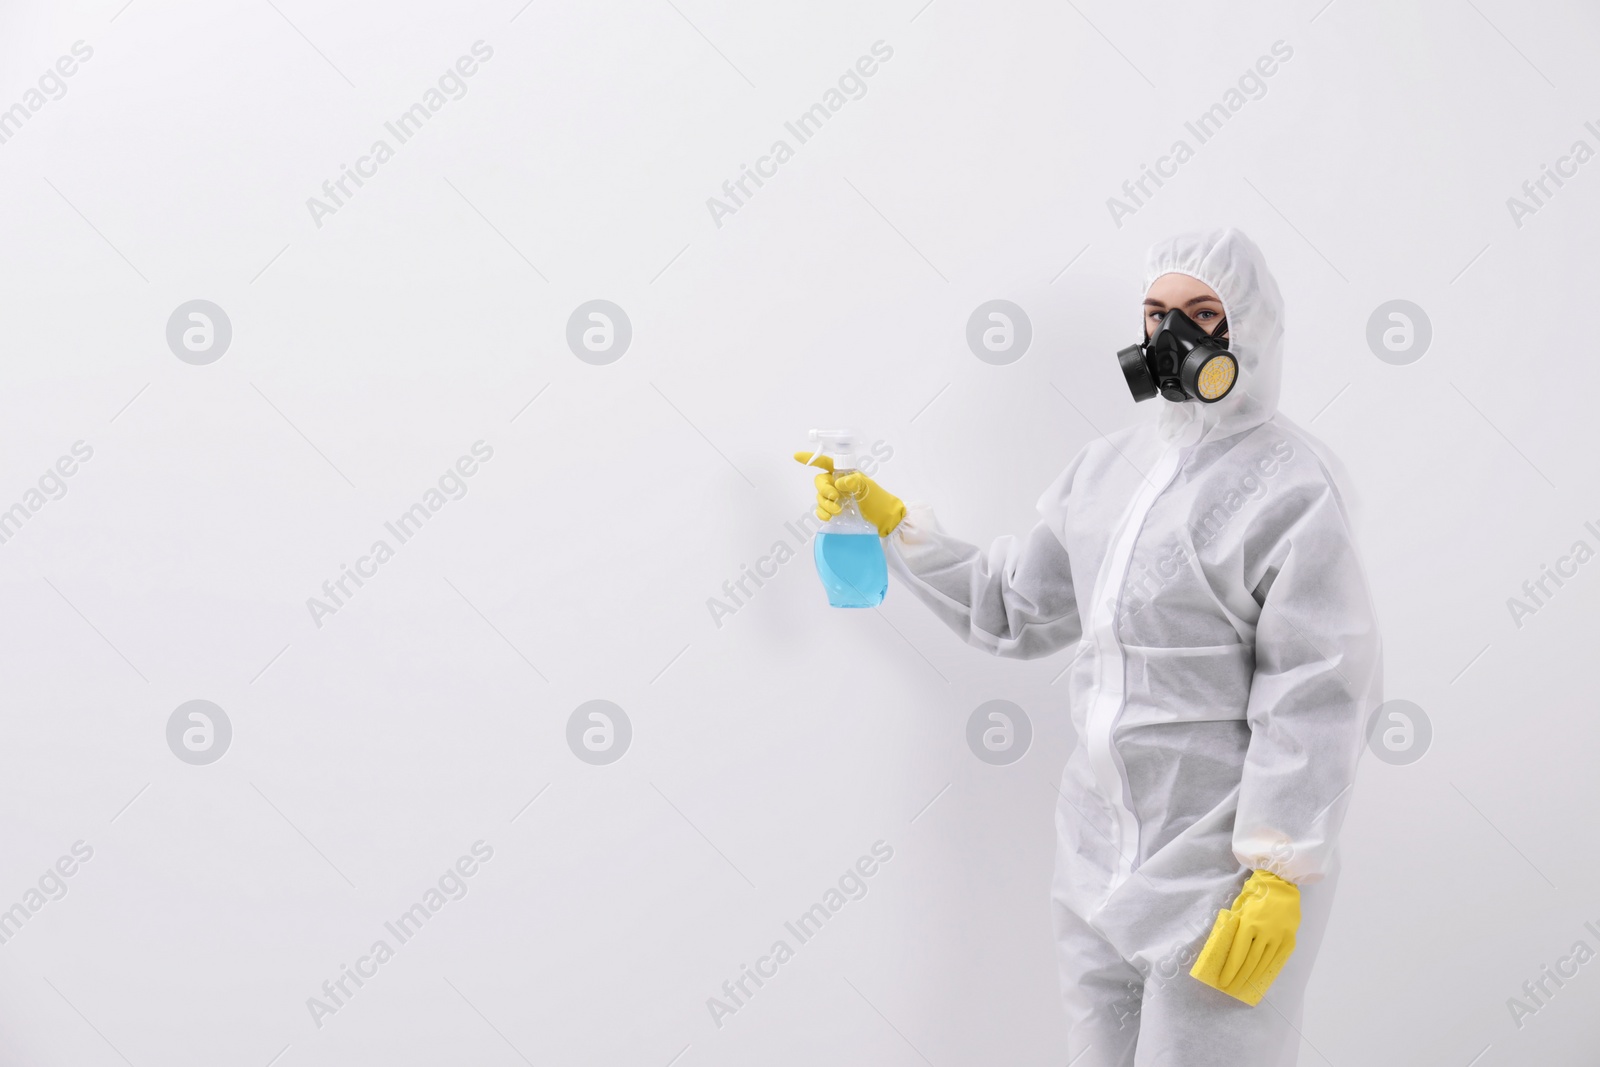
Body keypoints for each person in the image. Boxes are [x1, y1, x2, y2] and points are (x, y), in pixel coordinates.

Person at [795, 229, 1381, 1065]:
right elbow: (1015, 609)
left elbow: (1319, 686)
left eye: (1202, 314)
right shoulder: (1106, 471)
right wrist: (894, 525)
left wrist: (1279, 866)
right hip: (1095, 870)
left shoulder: (1290, 486)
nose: (1171, 338)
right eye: (1155, 314)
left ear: (1250, 329)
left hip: (1223, 881)